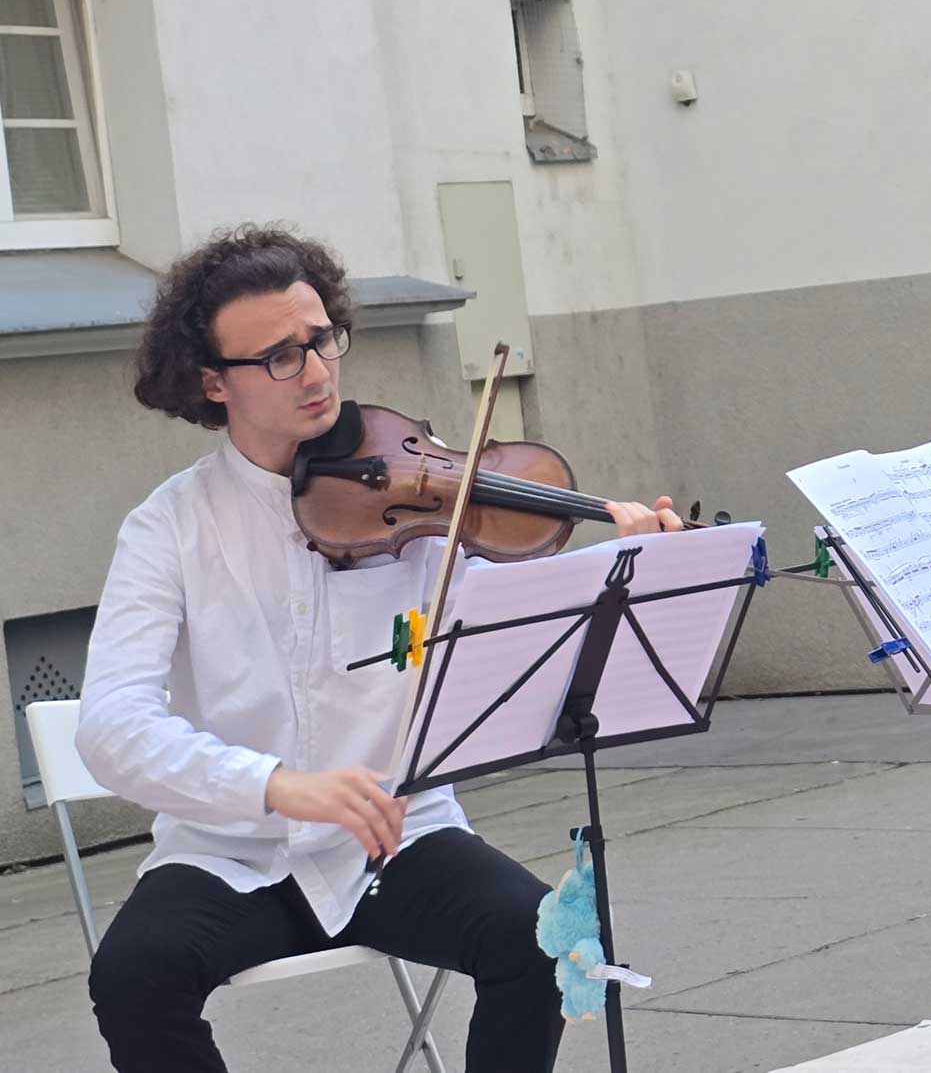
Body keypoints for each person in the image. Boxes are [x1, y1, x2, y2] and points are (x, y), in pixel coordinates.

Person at [74, 225, 684, 1072]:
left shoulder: (412, 495)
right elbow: (111, 725)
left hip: (395, 840)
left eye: (321, 338)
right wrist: (279, 785)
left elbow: (515, 618)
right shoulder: (168, 528)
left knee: (536, 939)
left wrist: (629, 561)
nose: (317, 372)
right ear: (213, 381)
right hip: (230, 850)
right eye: (280, 356)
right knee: (132, 978)